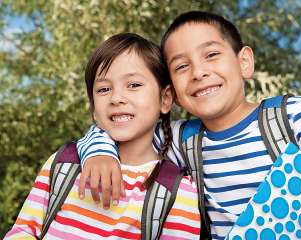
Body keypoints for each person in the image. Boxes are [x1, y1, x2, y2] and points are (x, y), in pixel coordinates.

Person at [76, 11, 301, 240]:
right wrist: (99, 153)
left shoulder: (291, 118)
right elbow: (121, 128)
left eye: (211, 55)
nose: (199, 72)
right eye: (181, 67)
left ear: (244, 62)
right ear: (171, 92)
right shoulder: (182, 140)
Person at [4, 33, 200, 239]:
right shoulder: (64, 164)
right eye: (104, 89)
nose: (116, 98)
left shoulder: (177, 191)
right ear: (94, 108)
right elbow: (23, 231)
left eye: (133, 85)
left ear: (165, 99)